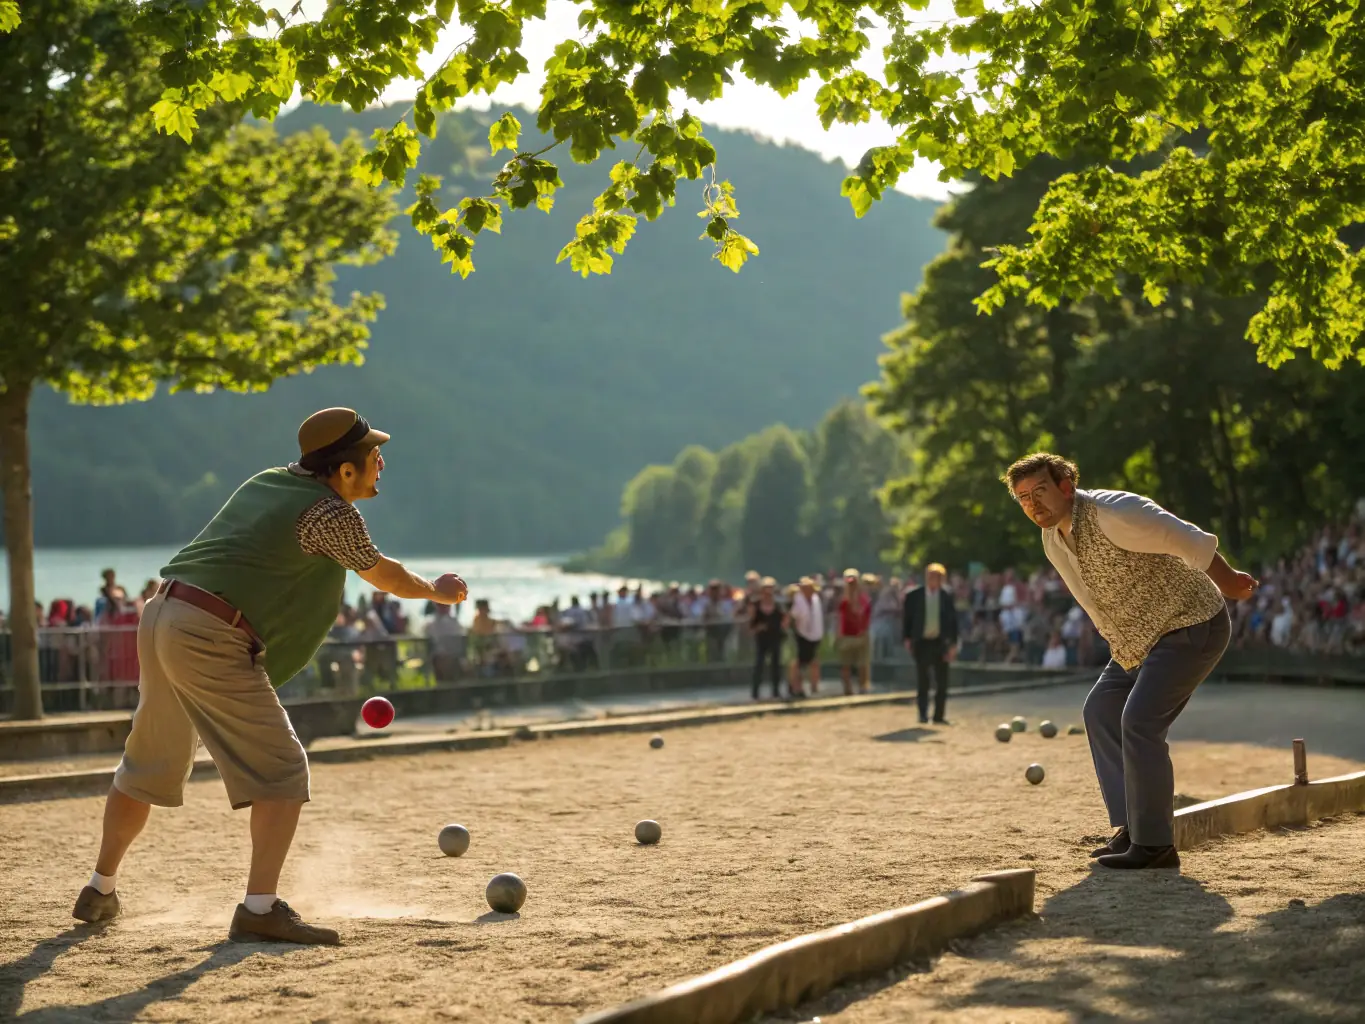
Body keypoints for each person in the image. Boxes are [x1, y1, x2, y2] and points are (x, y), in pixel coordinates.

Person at [72, 407, 467, 943]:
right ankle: (259, 909)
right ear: (344, 471)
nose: (381, 461)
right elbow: (384, 574)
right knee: (282, 771)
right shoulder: (330, 515)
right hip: (209, 632)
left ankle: (100, 889)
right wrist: (438, 592)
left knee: (146, 763)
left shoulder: (268, 481)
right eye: (373, 454)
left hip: (164, 611)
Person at [1004, 451, 1256, 871]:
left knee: (1139, 722)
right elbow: (1090, 599)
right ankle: (1130, 828)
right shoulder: (1052, 540)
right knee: (1100, 710)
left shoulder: (1113, 512)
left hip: (1191, 624)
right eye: (1024, 498)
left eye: (1041, 491)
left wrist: (1229, 581)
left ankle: (1155, 846)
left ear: (1067, 486)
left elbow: (1186, 537)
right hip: (1138, 643)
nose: (1033, 504)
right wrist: (1120, 644)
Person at [902, 562, 959, 724]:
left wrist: (953, 644)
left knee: (942, 681)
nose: (933, 580)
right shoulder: (914, 596)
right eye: (931, 576)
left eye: (937, 577)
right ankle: (922, 714)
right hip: (922, 642)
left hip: (941, 642)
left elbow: (953, 622)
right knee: (923, 680)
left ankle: (939, 716)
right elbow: (907, 619)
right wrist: (907, 638)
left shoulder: (947, 597)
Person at [748, 577, 788, 700]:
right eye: (766, 589)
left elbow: (785, 619)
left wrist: (783, 626)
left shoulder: (778, 606)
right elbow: (751, 625)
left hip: (775, 637)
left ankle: (776, 691)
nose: (768, 592)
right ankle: (755, 692)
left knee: (776, 665)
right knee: (759, 665)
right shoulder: (756, 605)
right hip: (761, 639)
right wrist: (759, 628)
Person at [836, 569, 872, 695]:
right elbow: (840, 617)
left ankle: (863, 686)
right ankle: (847, 688)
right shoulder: (843, 601)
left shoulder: (863, 599)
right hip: (846, 635)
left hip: (861, 635)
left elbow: (864, 614)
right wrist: (838, 634)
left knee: (863, 663)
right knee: (846, 664)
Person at [788, 576, 824, 698]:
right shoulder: (797, 600)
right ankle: (796, 687)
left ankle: (813, 686)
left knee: (812, 661)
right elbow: (793, 617)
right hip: (802, 635)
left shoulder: (815, 599)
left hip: (814, 634)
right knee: (800, 663)